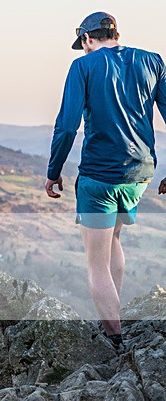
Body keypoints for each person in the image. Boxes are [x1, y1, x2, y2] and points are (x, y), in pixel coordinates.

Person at [46, 12, 166, 350]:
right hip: (140, 174)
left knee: (95, 262)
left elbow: (67, 127)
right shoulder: (152, 61)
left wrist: (54, 172)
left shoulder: (82, 67)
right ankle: (115, 321)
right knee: (113, 239)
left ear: (86, 39)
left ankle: (114, 340)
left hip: (99, 176)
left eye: (82, 45)